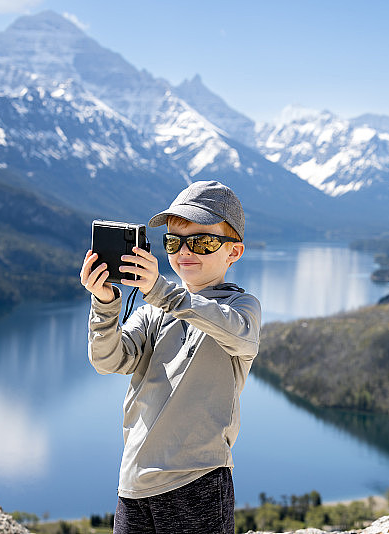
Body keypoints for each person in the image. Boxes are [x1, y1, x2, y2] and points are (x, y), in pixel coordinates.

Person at [80, 180, 261, 534]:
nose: (184, 252)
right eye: (174, 242)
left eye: (203, 241)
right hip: (133, 483)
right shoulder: (154, 312)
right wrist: (104, 303)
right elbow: (108, 360)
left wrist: (161, 291)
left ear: (234, 252)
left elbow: (234, 332)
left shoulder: (242, 308)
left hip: (197, 481)